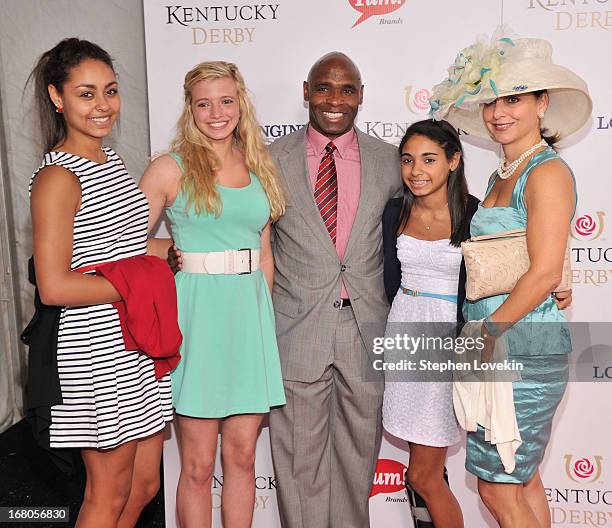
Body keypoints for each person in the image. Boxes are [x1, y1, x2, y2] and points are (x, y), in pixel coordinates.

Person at [429, 32, 591, 527]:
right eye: (491, 101)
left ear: (542, 102)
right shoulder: (504, 174)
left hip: (521, 345)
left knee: (497, 487)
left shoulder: (546, 172)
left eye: (514, 99)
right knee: (522, 481)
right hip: (499, 342)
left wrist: (488, 330)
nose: (499, 112)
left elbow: (543, 271)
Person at [26, 38, 172, 528]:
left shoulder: (110, 162)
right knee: (106, 495)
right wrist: (140, 281)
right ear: (56, 97)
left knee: (145, 485)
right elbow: (54, 287)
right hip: (96, 352)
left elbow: (120, 251)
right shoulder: (58, 177)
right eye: (86, 94)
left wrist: (180, 255)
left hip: (138, 344)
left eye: (110, 91)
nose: (103, 105)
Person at [139, 60, 286, 528]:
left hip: (248, 322)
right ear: (190, 109)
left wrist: (259, 323)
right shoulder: (170, 167)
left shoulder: (259, 164)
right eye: (204, 103)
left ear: (240, 103)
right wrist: (169, 252)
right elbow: (122, 242)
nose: (216, 112)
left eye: (226, 101)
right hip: (196, 320)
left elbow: (264, 255)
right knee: (199, 466)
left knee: (242, 459)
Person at [267, 52, 402, 528]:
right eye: (324, 88)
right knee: (297, 461)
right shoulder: (267, 159)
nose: (334, 100)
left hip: (366, 328)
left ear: (361, 96)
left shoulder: (391, 160)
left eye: (347, 90)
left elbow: (434, 221)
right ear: (306, 91)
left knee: (357, 458)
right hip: (295, 328)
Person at [382, 119, 479, 528]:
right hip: (404, 331)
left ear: (453, 161)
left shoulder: (476, 214)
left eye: (428, 159)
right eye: (408, 160)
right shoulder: (395, 209)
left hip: (448, 344)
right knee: (423, 471)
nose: (416, 170)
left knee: (422, 474)